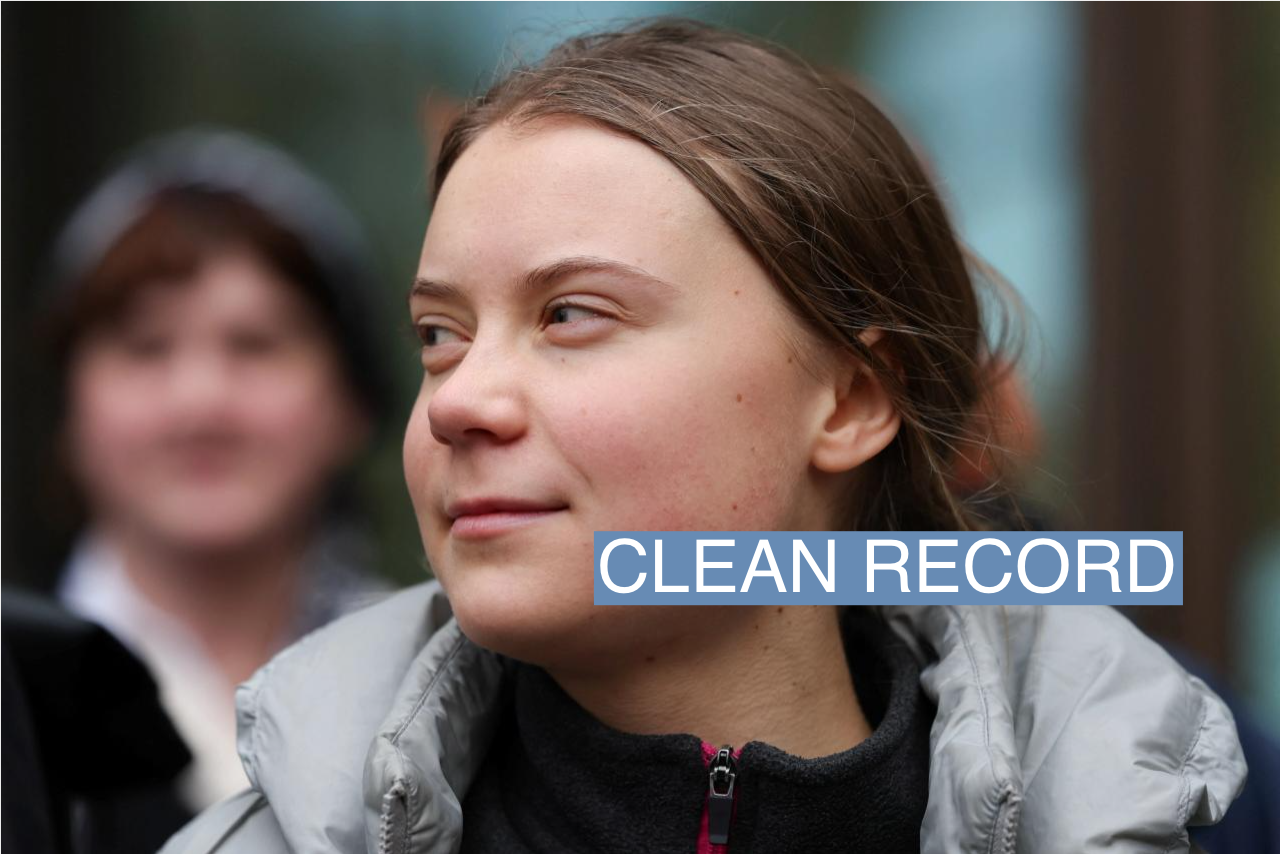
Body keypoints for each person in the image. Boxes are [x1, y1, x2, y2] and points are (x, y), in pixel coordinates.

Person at [161, 21, 1245, 854]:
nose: (456, 400)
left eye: (571, 313)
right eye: (438, 335)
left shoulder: (1148, 811)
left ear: (852, 399)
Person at [40, 129, 395, 817]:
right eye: (146, 348)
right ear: (69, 411)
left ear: (352, 402)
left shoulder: (458, 693)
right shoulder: (20, 700)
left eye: (255, 345)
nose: (200, 400)